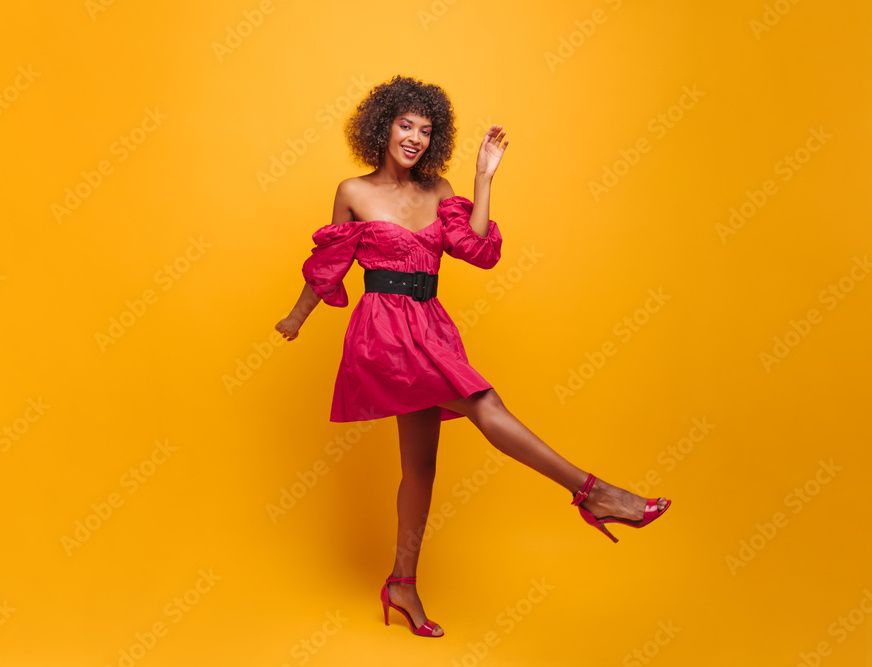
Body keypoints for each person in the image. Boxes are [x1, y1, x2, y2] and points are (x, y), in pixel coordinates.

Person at [275, 75, 670, 638]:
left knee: (422, 467)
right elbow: (329, 263)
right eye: (404, 125)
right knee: (485, 404)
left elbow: (479, 251)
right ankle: (594, 494)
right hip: (384, 332)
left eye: (425, 130)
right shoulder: (353, 191)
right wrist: (297, 316)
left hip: (430, 326)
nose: (413, 137)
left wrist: (484, 178)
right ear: (381, 125)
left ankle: (401, 584)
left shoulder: (439, 191)